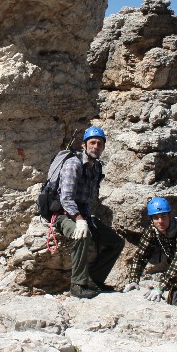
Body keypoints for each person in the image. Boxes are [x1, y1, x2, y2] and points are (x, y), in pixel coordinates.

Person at [53, 126, 125, 299]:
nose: (96, 146)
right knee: (81, 235)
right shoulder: (73, 164)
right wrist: (79, 220)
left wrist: (86, 219)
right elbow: (66, 198)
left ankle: (94, 280)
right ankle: (78, 285)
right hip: (62, 215)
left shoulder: (96, 167)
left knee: (116, 242)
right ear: (84, 145)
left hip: (83, 215)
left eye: (100, 143)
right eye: (92, 143)